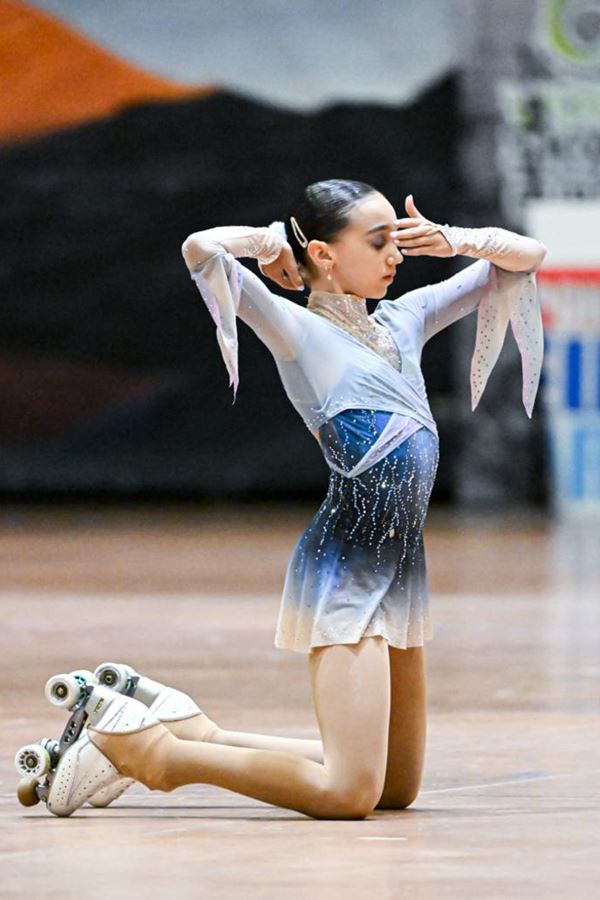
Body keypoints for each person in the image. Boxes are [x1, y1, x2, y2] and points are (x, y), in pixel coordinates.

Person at [36, 180, 547, 820]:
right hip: (347, 574)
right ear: (326, 256)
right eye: (379, 240)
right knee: (348, 794)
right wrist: (269, 244)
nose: (397, 254)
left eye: (399, 239)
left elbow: (527, 255)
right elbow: (200, 251)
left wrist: (456, 240)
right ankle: (149, 755)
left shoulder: (404, 319)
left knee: (394, 787)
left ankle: (194, 732)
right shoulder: (297, 331)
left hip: (400, 571)